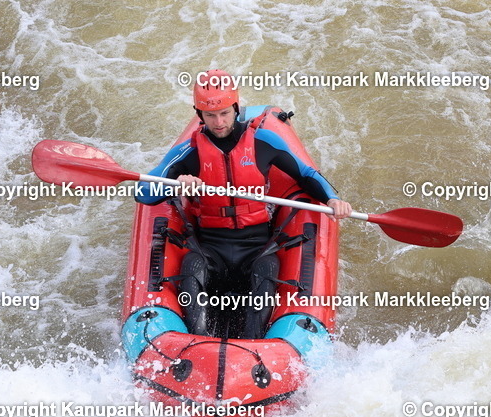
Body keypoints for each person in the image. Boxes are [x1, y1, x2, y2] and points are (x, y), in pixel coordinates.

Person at [136, 70, 352, 338]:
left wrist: (332, 198)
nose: (218, 122)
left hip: (256, 247)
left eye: (224, 113)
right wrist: (175, 183)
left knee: (267, 269)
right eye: (210, 115)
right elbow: (144, 193)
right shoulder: (189, 151)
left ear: (236, 108)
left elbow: (306, 174)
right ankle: (195, 341)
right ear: (198, 114)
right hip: (211, 248)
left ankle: (255, 343)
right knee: (192, 265)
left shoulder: (264, 142)